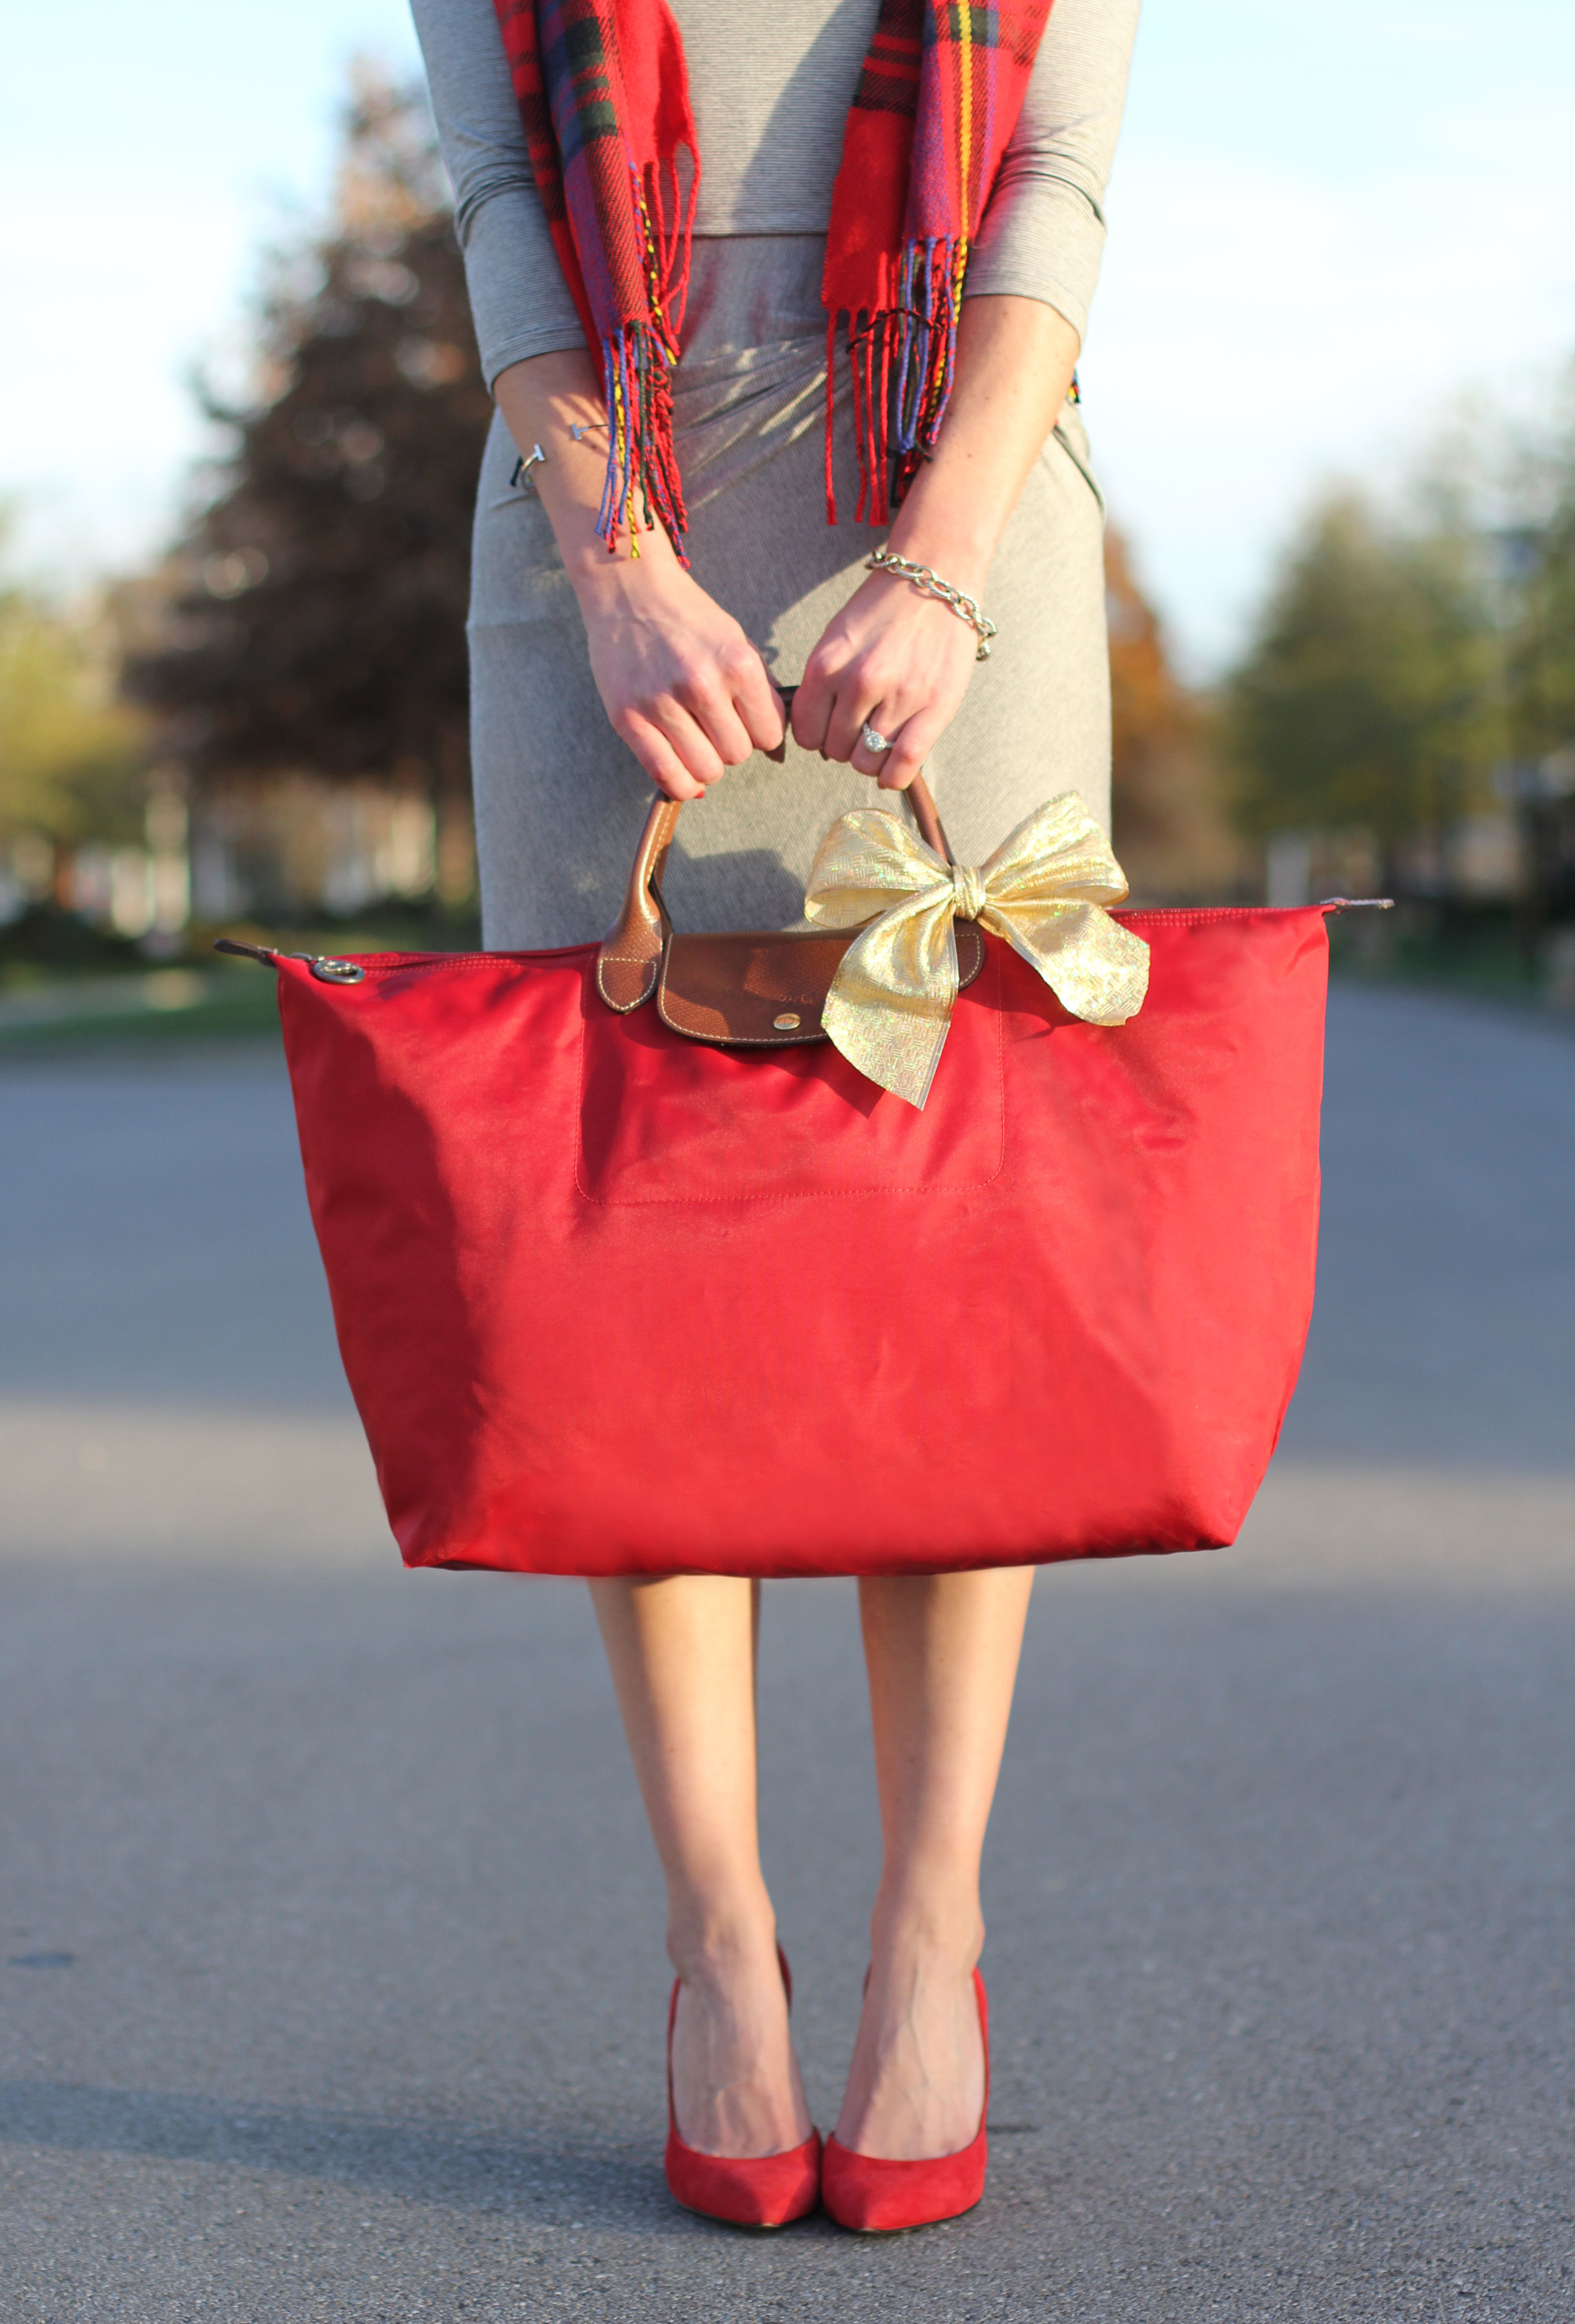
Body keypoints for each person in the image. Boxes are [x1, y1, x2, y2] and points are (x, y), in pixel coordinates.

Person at [408, 0, 1138, 2232]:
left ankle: (933, 1932)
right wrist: (610, 565)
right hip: (598, 538)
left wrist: (937, 559)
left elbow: (1049, 185)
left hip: (957, 516)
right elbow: (506, 202)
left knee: (947, 1257)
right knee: (634, 1258)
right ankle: (717, 1935)